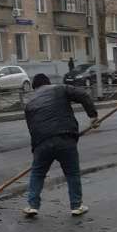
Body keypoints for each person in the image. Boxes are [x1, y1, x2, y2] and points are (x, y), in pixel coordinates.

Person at [22, 73, 99, 218]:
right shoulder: (60, 88)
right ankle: (76, 206)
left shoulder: (30, 102)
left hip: (41, 142)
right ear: (48, 82)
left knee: (37, 173)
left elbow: (31, 128)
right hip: (65, 137)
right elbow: (83, 95)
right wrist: (93, 116)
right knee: (72, 173)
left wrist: (36, 150)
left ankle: (32, 206)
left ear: (34, 88)